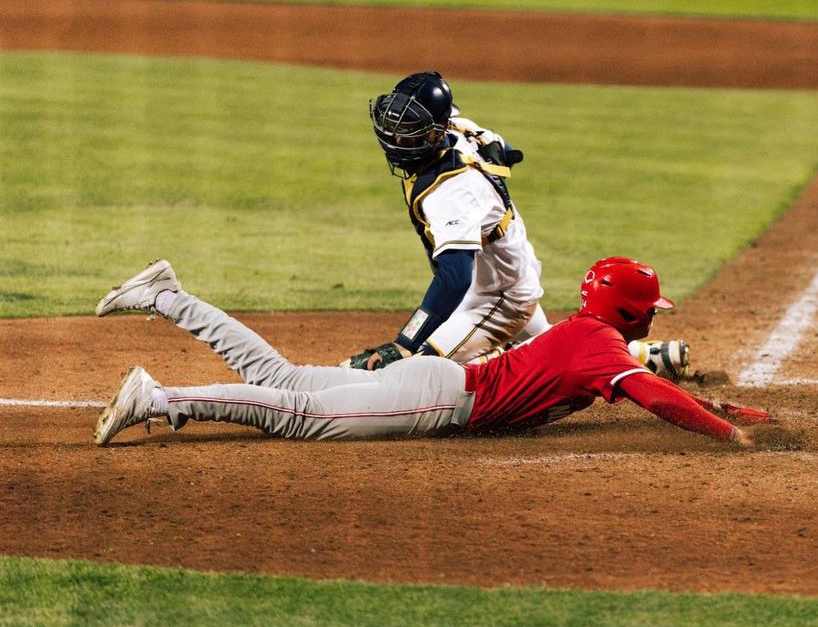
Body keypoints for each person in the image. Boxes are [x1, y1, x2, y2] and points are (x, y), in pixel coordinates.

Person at [91, 258, 773, 447]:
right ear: (632, 310)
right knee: (293, 412)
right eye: (650, 309)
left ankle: (169, 297)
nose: (652, 317)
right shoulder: (600, 348)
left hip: (436, 380)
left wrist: (713, 400)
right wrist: (724, 431)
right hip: (437, 398)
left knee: (284, 377)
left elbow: (643, 379)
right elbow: (649, 393)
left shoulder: (585, 335)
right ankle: (157, 399)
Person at [342, 71, 689, 381]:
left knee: (412, 369)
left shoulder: (451, 193)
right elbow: (503, 147)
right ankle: (646, 356)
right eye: (394, 126)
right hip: (508, 271)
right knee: (551, 344)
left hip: (497, 296)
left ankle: (496, 357)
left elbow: (454, 278)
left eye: (409, 133)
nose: (395, 138)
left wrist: (404, 343)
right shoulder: (460, 129)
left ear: (435, 134)